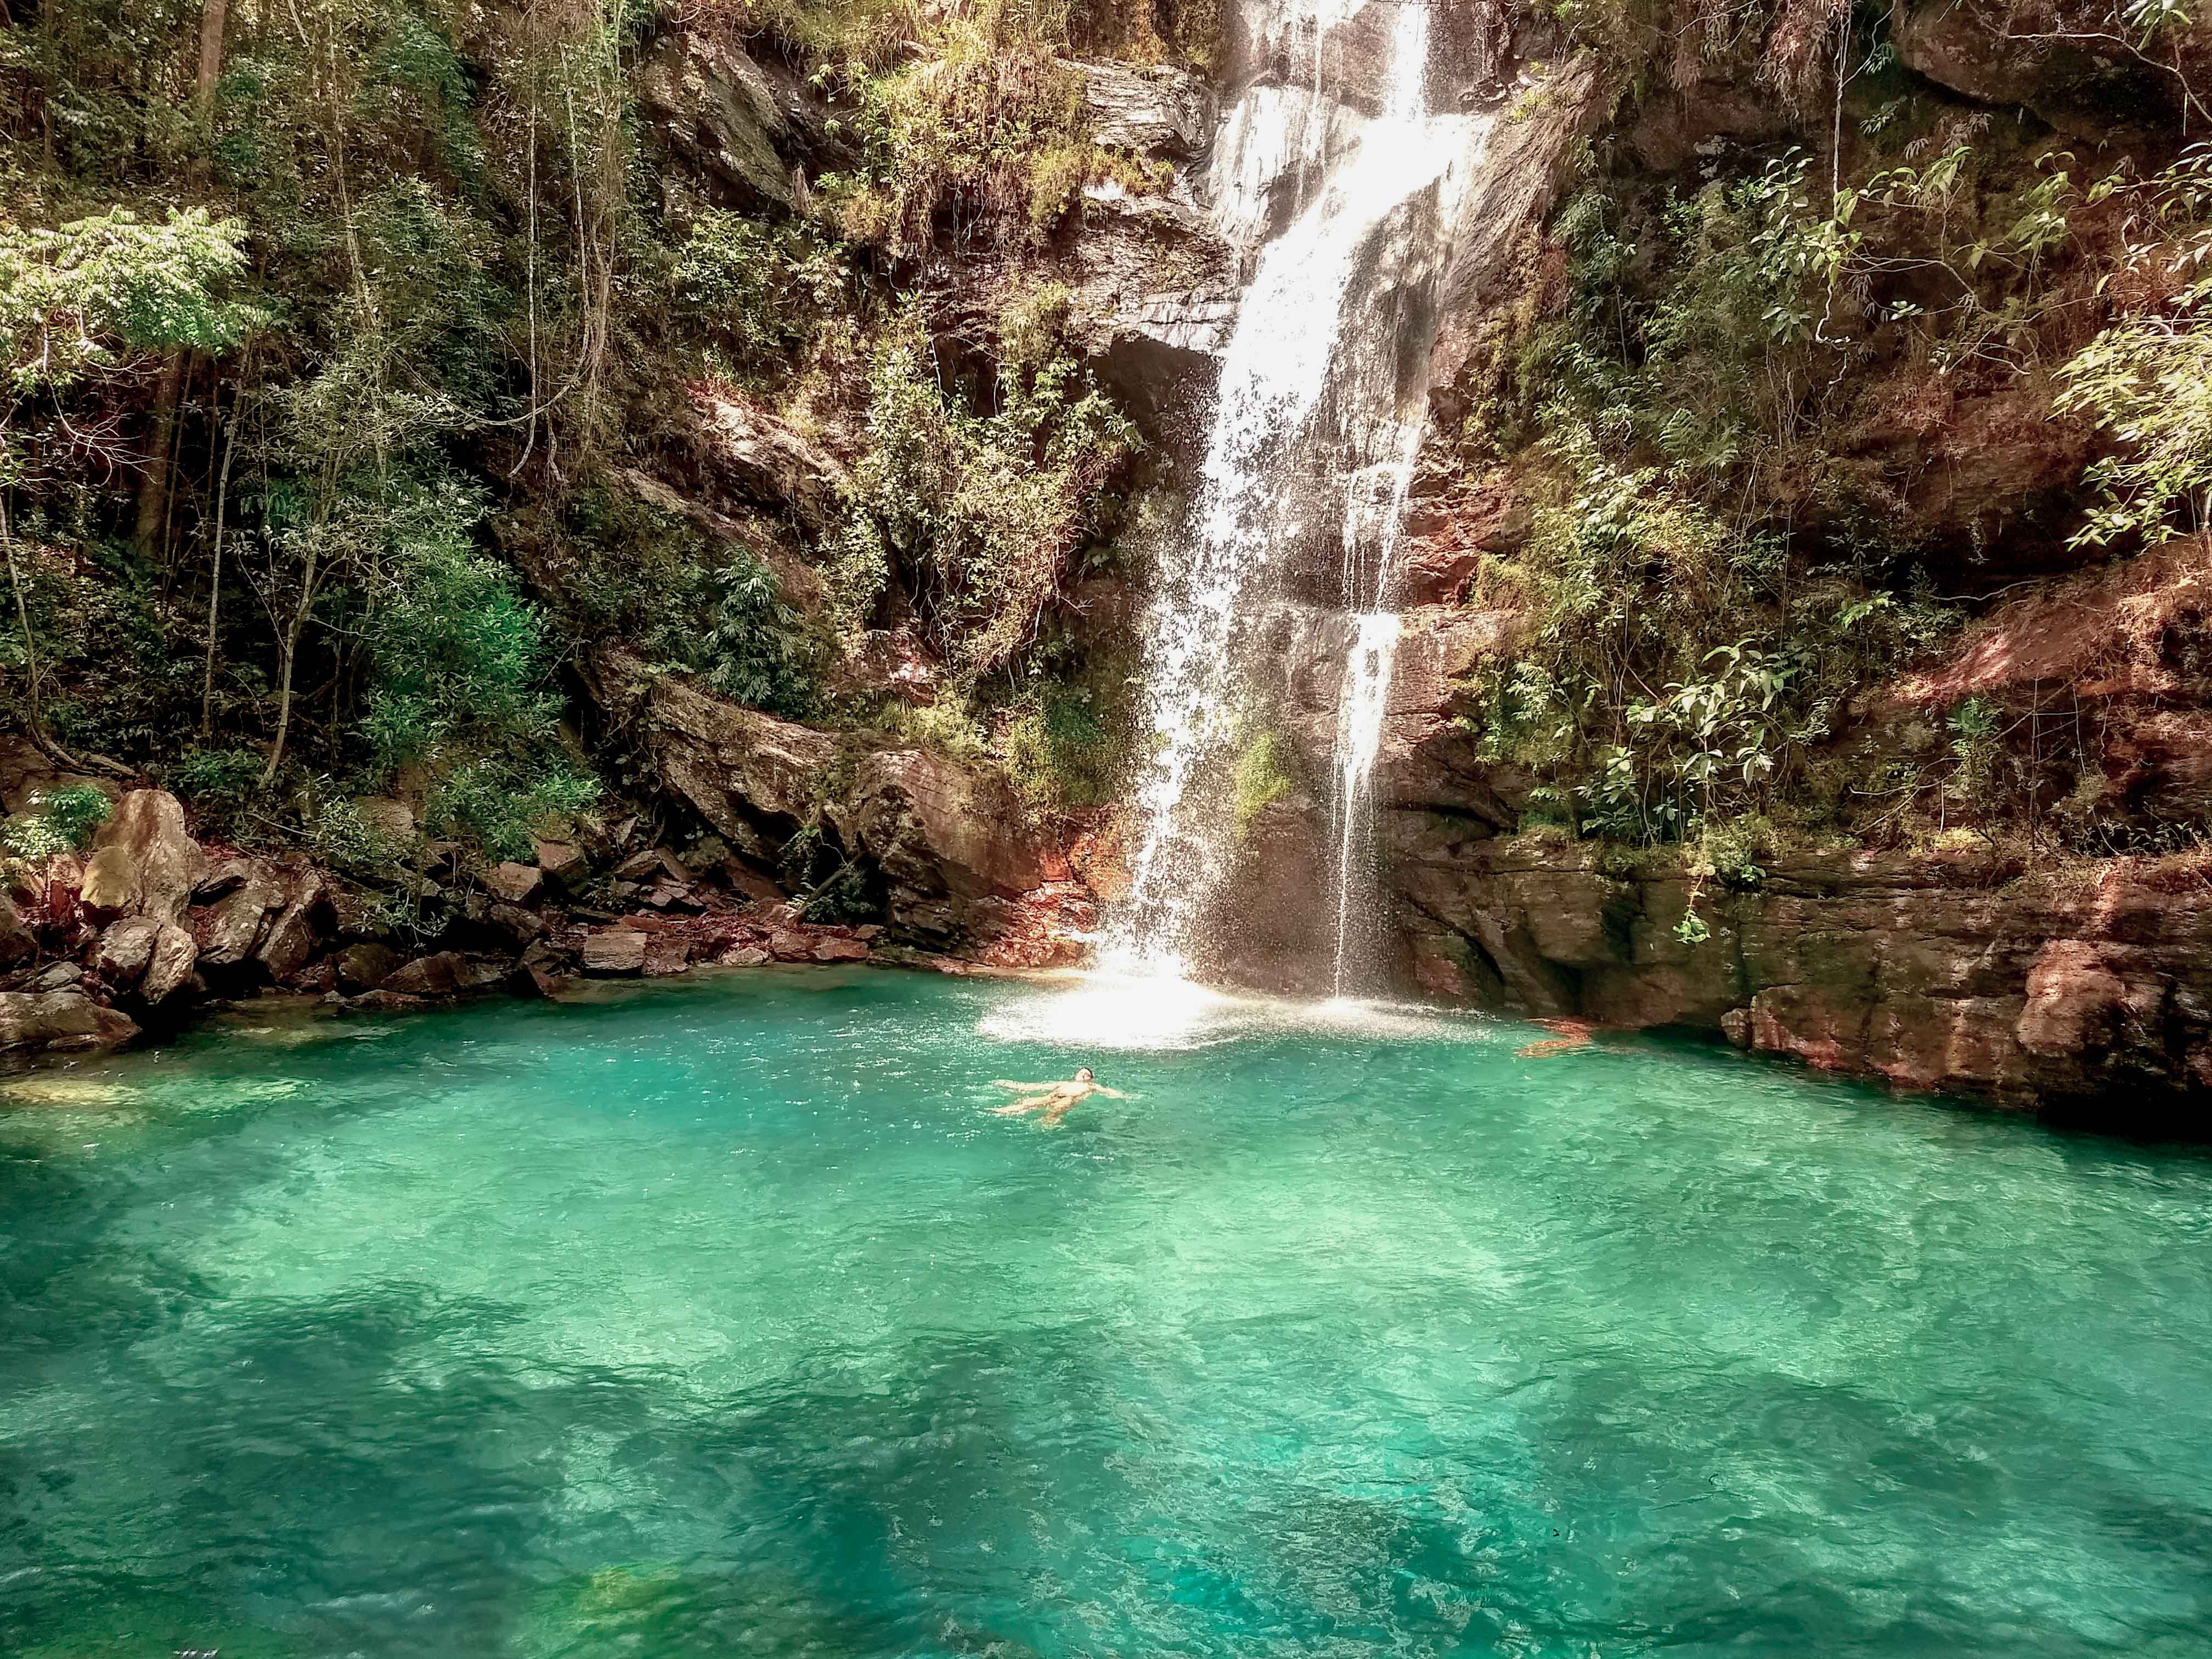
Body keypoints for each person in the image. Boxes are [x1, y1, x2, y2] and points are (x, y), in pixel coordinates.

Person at [989, 1066, 1124, 1126]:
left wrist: (1126, 1096)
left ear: (1091, 1079)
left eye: (1087, 1074)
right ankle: (1002, 1111)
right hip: (1053, 1095)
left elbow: (1109, 1092)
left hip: (1069, 1098)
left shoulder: (1092, 1086)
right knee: (1028, 1103)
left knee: (1054, 1113)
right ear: (1075, 1075)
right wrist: (1011, 1085)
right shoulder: (1063, 1083)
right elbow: (1036, 1087)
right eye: (1081, 1073)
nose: (1083, 1075)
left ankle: (1045, 1126)